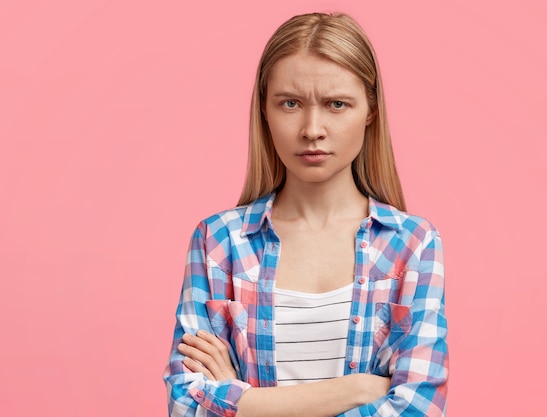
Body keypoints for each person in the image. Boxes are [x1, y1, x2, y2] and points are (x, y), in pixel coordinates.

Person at [163, 12, 448, 417]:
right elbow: (186, 407)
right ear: (264, 109)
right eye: (291, 103)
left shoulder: (413, 244)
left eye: (336, 104)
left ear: (369, 110)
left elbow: (418, 407)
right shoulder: (219, 242)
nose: (312, 129)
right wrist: (357, 390)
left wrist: (243, 402)